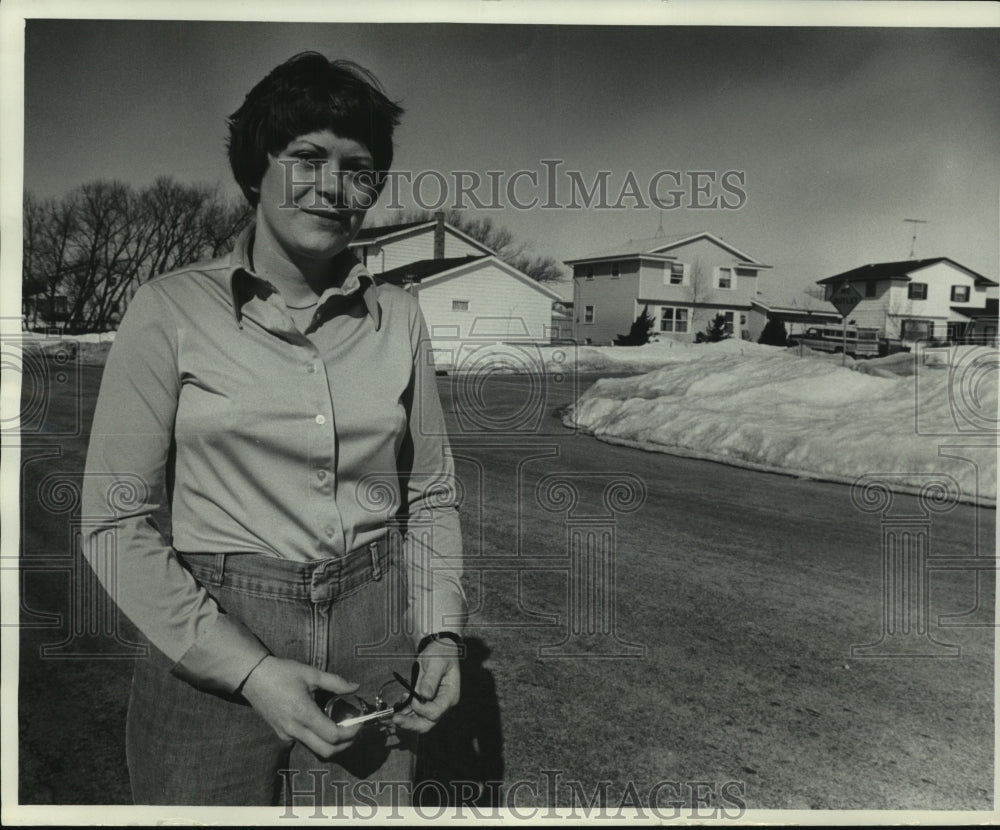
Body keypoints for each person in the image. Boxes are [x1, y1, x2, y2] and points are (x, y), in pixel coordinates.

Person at [81, 52, 466, 807]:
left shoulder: (400, 318)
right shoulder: (169, 309)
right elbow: (113, 520)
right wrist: (252, 671)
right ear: (256, 170)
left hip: (370, 629)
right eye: (307, 158)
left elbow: (431, 495)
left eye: (359, 169)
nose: (333, 186)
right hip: (215, 632)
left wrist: (440, 635)